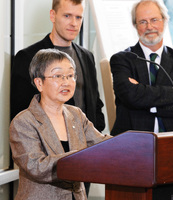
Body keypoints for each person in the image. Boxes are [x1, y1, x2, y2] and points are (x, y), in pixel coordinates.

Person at [11, 0, 104, 194]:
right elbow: (20, 112)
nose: (74, 23)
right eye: (67, 16)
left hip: (84, 157)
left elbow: (94, 102)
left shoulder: (86, 56)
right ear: (53, 16)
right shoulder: (27, 56)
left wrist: (92, 144)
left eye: (78, 17)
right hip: (45, 175)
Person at [9, 49, 111, 200]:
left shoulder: (76, 115)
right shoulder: (23, 122)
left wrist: (134, 144)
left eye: (70, 76)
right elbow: (36, 166)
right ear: (39, 83)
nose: (66, 82)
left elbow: (101, 145)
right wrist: (79, 157)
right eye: (57, 76)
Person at [110, 0, 173, 136]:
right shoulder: (122, 59)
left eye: (154, 20)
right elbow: (130, 96)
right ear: (135, 25)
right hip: (131, 142)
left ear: (164, 21)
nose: (149, 26)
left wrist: (148, 103)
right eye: (143, 22)